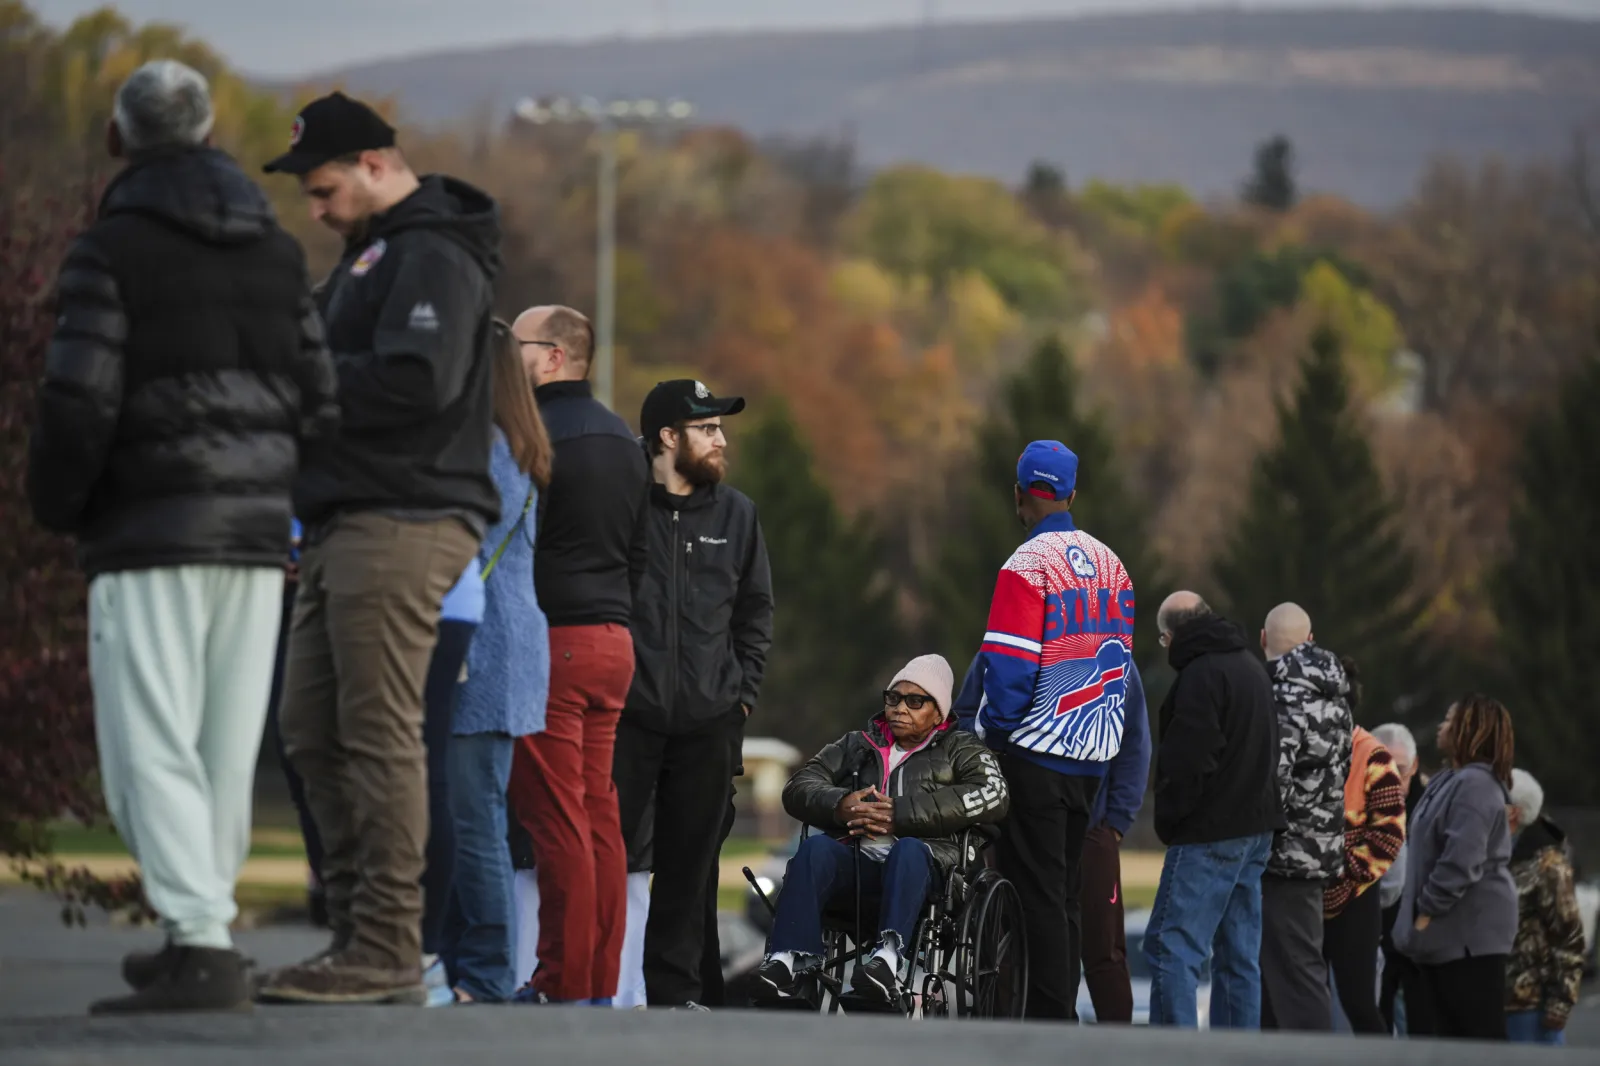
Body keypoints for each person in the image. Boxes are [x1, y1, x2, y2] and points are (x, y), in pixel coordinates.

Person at [25, 60, 337, 1014]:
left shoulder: (110, 249)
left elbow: (79, 399)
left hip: (150, 524)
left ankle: (200, 938)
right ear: (208, 136)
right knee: (217, 742)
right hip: (251, 531)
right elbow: (321, 399)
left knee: (146, 742)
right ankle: (193, 928)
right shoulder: (276, 253)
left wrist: (61, 502)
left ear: (119, 139)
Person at [259, 91, 500, 1004]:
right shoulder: (375, 254)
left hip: (404, 517)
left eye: (323, 190)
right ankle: (356, 935)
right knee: (310, 732)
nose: (315, 210)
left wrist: (300, 378)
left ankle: (390, 948)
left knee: (376, 735)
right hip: (341, 520)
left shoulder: (431, 251)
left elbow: (416, 378)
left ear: (371, 164)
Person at [615, 379, 775, 1008]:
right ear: (667, 438)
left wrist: (741, 697)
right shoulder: (624, 507)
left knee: (689, 869)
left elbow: (755, 612)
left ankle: (675, 998)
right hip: (630, 717)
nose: (721, 439)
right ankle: (609, 987)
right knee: (614, 861)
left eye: (720, 428)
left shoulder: (737, 513)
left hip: (709, 723)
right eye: (708, 429)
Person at [508, 304, 647, 1005]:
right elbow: (640, 553)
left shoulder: (533, 433)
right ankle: (596, 984)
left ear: (556, 356)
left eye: (519, 345)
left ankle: (560, 981)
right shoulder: (625, 440)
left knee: (557, 819)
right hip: (613, 643)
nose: (510, 356)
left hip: (553, 641)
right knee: (597, 814)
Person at [975, 440, 1135, 1021]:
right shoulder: (1114, 565)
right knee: (1064, 897)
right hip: (1092, 760)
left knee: (1037, 896)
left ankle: (1048, 1022)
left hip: (1036, 755)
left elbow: (1010, 672)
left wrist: (992, 735)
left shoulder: (1025, 566)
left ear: (1020, 494)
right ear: (1071, 493)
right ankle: (1059, 1013)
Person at [754, 656, 1009, 1009]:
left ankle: (886, 963)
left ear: (938, 712)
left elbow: (995, 793)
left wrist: (899, 815)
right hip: (859, 864)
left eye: (915, 701)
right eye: (893, 698)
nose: (900, 708)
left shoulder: (961, 749)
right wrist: (841, 804)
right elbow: (799, 785)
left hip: (928, 870)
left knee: (908, 850)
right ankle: (785, 963)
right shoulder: (857, 744)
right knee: (814, 851)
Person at [441, 321, 554, 1004]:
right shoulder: (522, 443)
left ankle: (483, 973)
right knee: (477, 813)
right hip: (513, 643)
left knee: (473, 818)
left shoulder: (484, 447)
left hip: (482, 647)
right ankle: (473, 967)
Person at [1143, 592, 1284, 1030]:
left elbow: (1188, 765)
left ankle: (1176, 1056)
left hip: (1210, 833)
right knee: (1238, 957)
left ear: (1171, 636)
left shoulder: (1201, 676)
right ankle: (1238, 1054)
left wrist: (1170, 821)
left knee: (1172, 948)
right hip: (1255, 829)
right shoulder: (1251, 668)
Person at [1393, 695, 1517, 1040]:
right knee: (1452, 1039)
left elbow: (1461, 859)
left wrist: (1426, 911)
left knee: (1478, 1040)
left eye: (1448, 720)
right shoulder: (1452, 779)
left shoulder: (1475, 785)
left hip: (1470, 940)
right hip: (1448, 939)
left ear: (1468, 730)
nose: (1440, 726)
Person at [1257, 604, 1352, 1032]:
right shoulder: (1335, 698)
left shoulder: (1283, 698)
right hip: (1321, 849)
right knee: (1300, 965)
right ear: (1310, 639)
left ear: (1263, 640)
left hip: (1288, 854)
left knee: (1295, 971)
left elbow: (1274, 782)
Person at [1321, 659, 1406, 1035]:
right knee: (1289, 999)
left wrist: (1343, 881)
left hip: (1355, 895)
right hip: (1303, 892)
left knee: (1357, 1001)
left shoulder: (1373, 755)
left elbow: (1388, 836)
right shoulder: (1299, 745)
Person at [419, 563, 482, 1006]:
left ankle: (428, 954)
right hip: (455, 603)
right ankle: (430, 955)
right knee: (438, 780)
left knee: (428, 779)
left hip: (428, 600)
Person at [1078, 665, 1151, 1023]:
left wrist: (1116, 824)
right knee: (1028, 943)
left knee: (1104, 950)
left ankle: (1118, 1047)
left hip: (1093, 829)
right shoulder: (1013, 639)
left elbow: (1135, 743)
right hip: (1026, 826)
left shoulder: (1117, 658)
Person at [1504, 768, 1584, 1046]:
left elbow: (1569, 936)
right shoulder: (1499, 853)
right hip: (1499, 997)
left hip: (1531, 1004)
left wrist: (1561, 1002)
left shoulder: (1549, 866)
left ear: (1513, 812)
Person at [1372, 720, 1420, 1033]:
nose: (1392, 778)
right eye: (1384, 768)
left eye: (1400, 770)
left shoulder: (1428, 806)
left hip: (1415, 938)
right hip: (1376, 931)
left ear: (1414, 767)